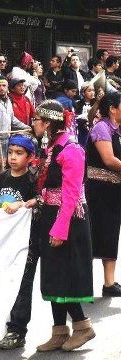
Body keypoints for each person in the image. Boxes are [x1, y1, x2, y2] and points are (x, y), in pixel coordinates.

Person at [32, 99, 95, 352]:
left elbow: (70, 195)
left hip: (68, 219)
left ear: (48, 122)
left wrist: (60, 228)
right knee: (52, 275)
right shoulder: (52, 147)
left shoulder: (71, 150)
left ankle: (82, 326)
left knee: (64, 275)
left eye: (37, 119)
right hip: (51, 214)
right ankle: (59, 331)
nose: (34, 123)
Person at [0, 135, 40, 350]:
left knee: (23, 284)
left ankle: (18, 330)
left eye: (19, 153)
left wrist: (22, 204)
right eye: (10, 152)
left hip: (26, 242)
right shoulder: (2, 177)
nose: (12, 157)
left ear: (30, 157)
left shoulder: (32, 180)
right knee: (2, 281)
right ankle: (0, 322)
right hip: (3, 241)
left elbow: (37, 203)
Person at [86, 92, 121, 297]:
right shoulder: (102, 128)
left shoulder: (116, 129)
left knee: (110, 233)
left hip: (113, 190)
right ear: (112, 109)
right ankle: (80, 281)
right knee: (94, 233)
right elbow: (108, 160)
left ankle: (109, 283)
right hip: (99, 190)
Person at [0, 76, 31, 197]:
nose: (1, 88)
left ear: (7, 87)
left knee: (2, 164)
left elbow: (12, 119)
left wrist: (26, 127)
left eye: (4, 86)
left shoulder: (8, 100)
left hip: (5, 136)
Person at [75, 82, 95, 147]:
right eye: (89, 91)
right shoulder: (78, 104)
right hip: (82, 131)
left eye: (93, 90)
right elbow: (76, 117)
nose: (92, 92)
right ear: (83, 93)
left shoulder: (96, 104)